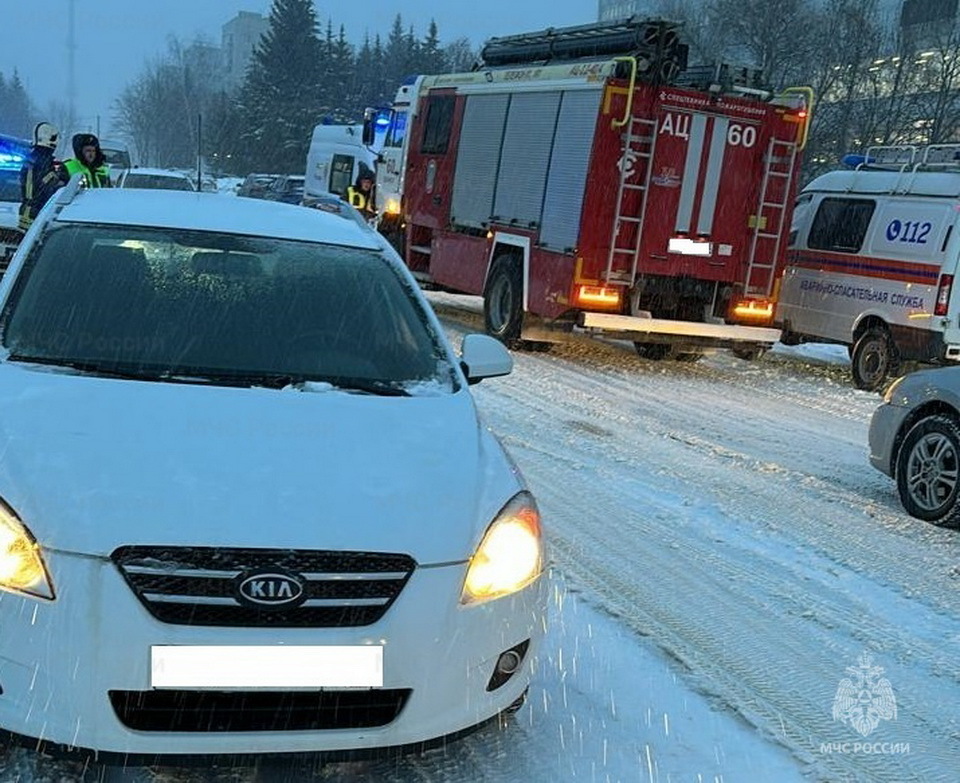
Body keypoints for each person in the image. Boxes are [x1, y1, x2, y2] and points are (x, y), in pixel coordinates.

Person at [18, 122, 68, 232]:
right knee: (34, 244)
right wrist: (60, 179)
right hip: (34, 212)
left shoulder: (40, 159)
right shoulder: (37, 160)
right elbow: (37, 187)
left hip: (37, 210)